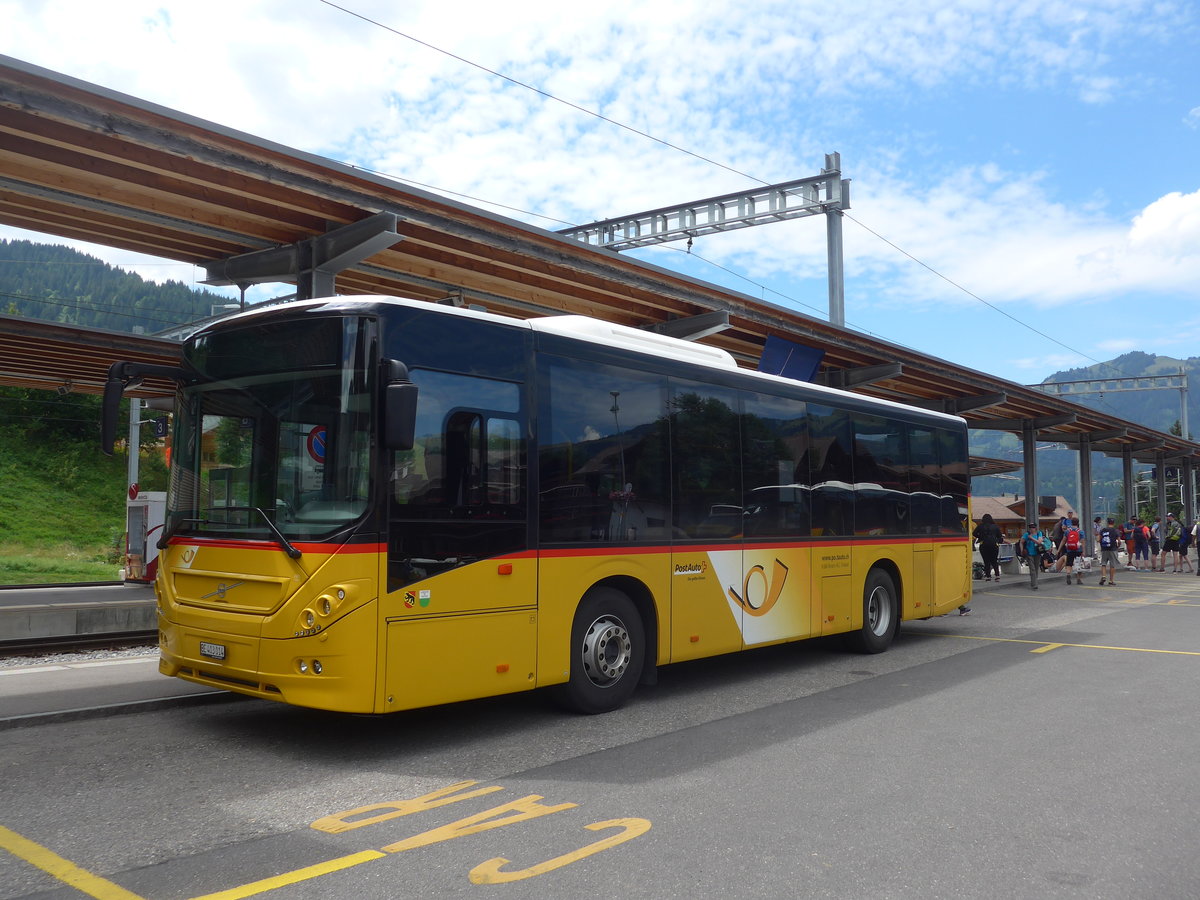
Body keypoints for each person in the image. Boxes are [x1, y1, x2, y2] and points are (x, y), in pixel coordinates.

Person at [973, 513, 1003, 582]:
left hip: (984, 544)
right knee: (994, 560)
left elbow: (974, 533)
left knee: (986, 561)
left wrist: (980, 537)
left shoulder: (980, 526)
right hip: (994, 545)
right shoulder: (995, 526)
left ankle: (988, 576)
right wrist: (996, 540)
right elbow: (1000, 536)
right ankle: (997, 576)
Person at [1057, 516, 1085, 584]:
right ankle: (1078, 579)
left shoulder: (1067, 531)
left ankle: (1068, 574)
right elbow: (1083, 542)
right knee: (1078, 564)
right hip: (1078, 550)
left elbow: (1063, 541)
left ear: (1071, 523)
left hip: (1069, 549)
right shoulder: (1080, 532)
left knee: (1069, 563)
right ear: (1078, 523)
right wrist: (1083, 551)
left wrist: (1059, 550)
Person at [1097, 517, 1121, 586]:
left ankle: (1104, 576)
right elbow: (1119, 541)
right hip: (1113, 549)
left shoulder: (1103, 530)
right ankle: (1111, 580)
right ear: (1113, 523)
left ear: (1107, 523)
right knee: (1112, 565)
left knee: (1103, 563)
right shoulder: (1116, 530)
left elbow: (1099, 539)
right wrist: (1118, 546)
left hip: (1104, 549)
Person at [1021, 522, 1045, 590]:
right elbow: (1021, 542)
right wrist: (1022, 550)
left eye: (1033, 527)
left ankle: (1034, 581)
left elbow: (1039, 542)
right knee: (1032, 569)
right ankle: (1034, 584)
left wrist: (1031, 538)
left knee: (1036, 568)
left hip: (1037, 553)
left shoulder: (1038, 533)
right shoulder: (1026, 534)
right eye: (1030, 527)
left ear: (1036, 528)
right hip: (1029, 553)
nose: (1032, 529)